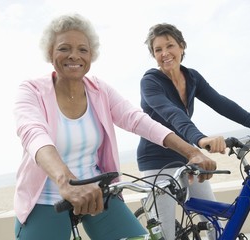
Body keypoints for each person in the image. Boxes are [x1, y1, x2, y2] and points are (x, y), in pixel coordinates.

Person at [13, 14, 218, 240]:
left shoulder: (99, 91)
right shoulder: (31, 91)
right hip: (46, 198)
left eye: (83, 49)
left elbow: (138, 120)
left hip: (98, 193)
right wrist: (66, 182)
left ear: (91, 55)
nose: (74, 55)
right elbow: (34, 135)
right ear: (51, 52)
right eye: (64, 48)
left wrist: (192, 152)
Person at [137, 23, 250, 239]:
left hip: (188, 157)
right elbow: (173, 114)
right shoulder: (150, 82)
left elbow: (222, 103)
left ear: (182, 47)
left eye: (170, 46)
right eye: (158, 50)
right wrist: (201, 139)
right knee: (166, 233)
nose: (165, 53)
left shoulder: (192, 77)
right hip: (157, 161)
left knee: (216, 221)